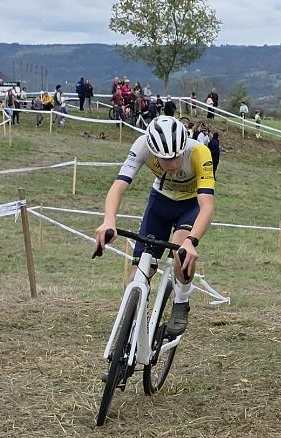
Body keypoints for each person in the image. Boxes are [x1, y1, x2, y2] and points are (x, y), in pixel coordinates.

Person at [92, 116, 216, 338]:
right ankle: (131, 336)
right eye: (164, 159)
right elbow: (118, 187)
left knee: (180, 251)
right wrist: (109, 220)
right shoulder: (141, 146)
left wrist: (192, 241)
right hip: (160, 201)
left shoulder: (199, 152)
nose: (172, 164)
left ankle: (181, 301)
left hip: (190, 205)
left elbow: (207, 206)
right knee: (138, 274)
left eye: (177, 156)